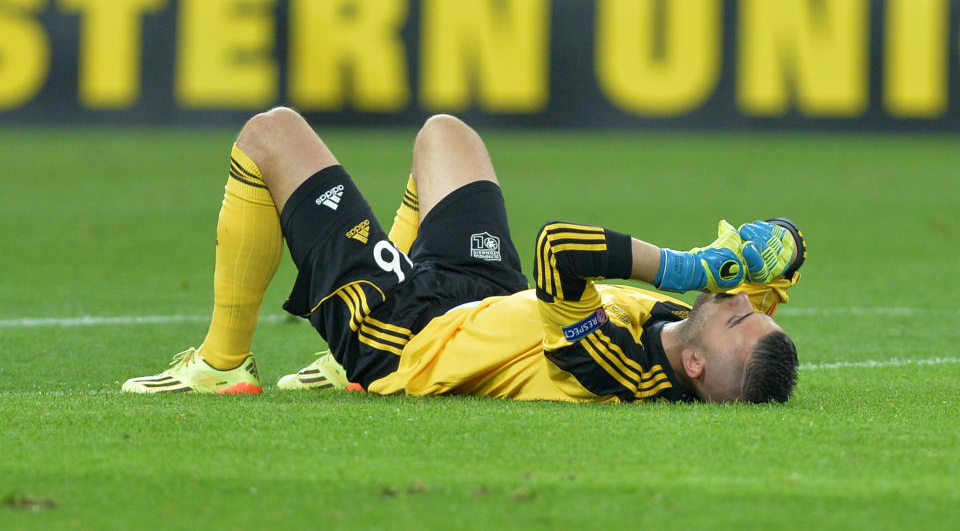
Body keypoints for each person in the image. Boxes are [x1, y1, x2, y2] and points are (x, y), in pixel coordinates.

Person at [122, 108, 806, 403]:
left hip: (411, 333)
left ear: (693, 364)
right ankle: (333, 361)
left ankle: (222, 364)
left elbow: (558, 247)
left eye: (740, 319)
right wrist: (783, 244)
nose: (743, 301)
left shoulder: (616, 369)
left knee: (270, 135)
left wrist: (691, 267)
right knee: (446, 135)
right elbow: (774, 259)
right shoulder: (690, 337)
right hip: (486, 295)